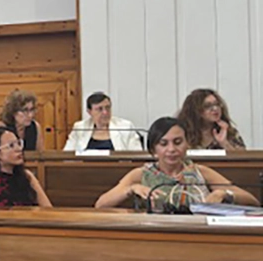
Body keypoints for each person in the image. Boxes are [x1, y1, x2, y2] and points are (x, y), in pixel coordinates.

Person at [95, 116, 259, 211]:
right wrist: (131, 189)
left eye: (178, 142)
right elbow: (101, 204)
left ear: (187, 144)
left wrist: (224, 194)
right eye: (163, 144)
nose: (171, 149)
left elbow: (252, 201)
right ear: (153, 149)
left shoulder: (200, 172)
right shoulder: (141, 174)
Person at [62, 91, 143, 152]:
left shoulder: (125, 127)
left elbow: (137, 155)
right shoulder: (80, 128)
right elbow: (67, 155)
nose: (105, 112)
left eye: (107, 108)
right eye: (99, 109)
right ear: (89, 112)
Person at [177, 88, 246, 150]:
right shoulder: (182, 133)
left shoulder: (230, 132)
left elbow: (243, 158)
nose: (215, 108)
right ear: (195, 110)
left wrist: (224, 143)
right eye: (207, 106)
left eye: (217, 104)